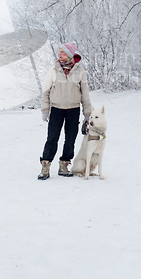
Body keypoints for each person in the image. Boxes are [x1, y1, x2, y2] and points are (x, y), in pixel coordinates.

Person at [38, 42, 92, 180]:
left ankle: (64, 165)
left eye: (62, 52)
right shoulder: (53, 70)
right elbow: (46, 90)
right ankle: (45, 166)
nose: (59, 54)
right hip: (56, 109)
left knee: (70, 139)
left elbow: (85, 94)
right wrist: (45, 109)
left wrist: (87, 114)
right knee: (52, 138)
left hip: (73, 110)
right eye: (59, 51)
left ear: (69, 54)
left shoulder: (80, 72)